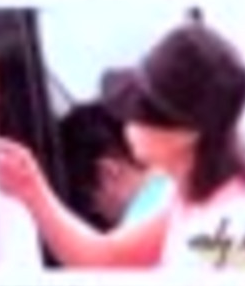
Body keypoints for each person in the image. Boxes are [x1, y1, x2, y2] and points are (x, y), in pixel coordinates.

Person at [0, 9, 245, 270]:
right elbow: (104, 257)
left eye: (140, 109)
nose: (126, 121)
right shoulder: (193, 194)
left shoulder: (228, 231)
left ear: (186, 133)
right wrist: (32, 189)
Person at [57, 98, 173, 231]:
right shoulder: (184, 183)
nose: (98, 215)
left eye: (91, 203)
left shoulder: (137, 231)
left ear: (107, 173)